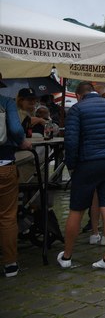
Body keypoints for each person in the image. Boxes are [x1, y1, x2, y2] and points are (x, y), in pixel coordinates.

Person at [57, 82, 105, 271]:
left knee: (77, 210)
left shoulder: (77, 109)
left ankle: (67, 256)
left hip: (87, 163)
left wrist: (72, 165)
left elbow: (71, 141)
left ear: (78, 95)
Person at [1, 76, 32, 277]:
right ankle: (10, 264)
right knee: (6, 217)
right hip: (4, 164)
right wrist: (21, 142)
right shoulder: (6, 102)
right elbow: (14, 128)